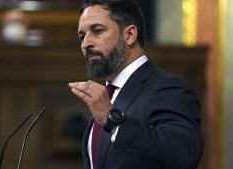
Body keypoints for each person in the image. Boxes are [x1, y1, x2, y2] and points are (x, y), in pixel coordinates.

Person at [68, 0, 204, 169]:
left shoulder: (169, 89)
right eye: (82, 36)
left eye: (97, 31)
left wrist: (113, 121)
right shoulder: (108, 97)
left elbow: (185, 154)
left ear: (130, 35)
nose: (85, 43)